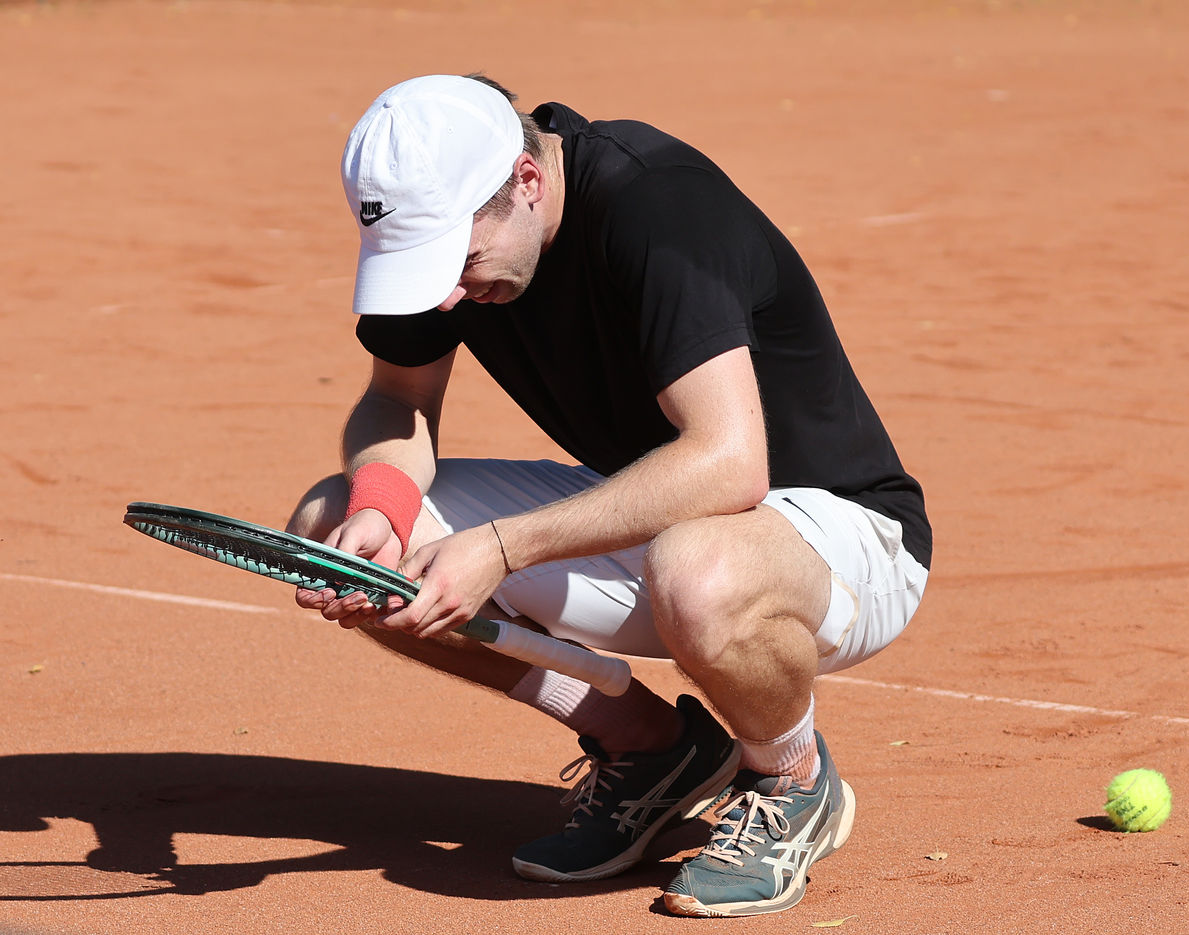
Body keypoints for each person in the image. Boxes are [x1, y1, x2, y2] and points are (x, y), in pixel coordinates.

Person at [289, 73, 931, 918]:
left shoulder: (658, 208)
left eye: (457, 258)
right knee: (333, 521)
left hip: (840, 536)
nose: (444, 294)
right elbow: (397, 399)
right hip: (669, 523)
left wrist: (503, 546)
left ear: (526, 179)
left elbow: (730, 464)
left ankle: (792, 777)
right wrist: (381, 507)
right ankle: (651, 747)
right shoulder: (463, 235)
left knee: (697, 570)